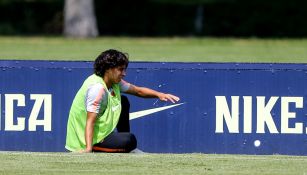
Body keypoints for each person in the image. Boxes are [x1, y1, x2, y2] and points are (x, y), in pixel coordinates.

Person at [65, 49, 180, 153]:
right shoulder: (97, 88)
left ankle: (123, 145)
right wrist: (88, 149)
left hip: (99, 135)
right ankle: (95, 147)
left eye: (124, 69)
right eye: (120, 69)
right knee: (129, 140)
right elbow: (90, 121)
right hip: (86, 141)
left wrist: (159, 94)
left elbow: (138, 91)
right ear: (108, 69)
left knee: (123, 101)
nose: (124, 73)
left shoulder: (114, 82)